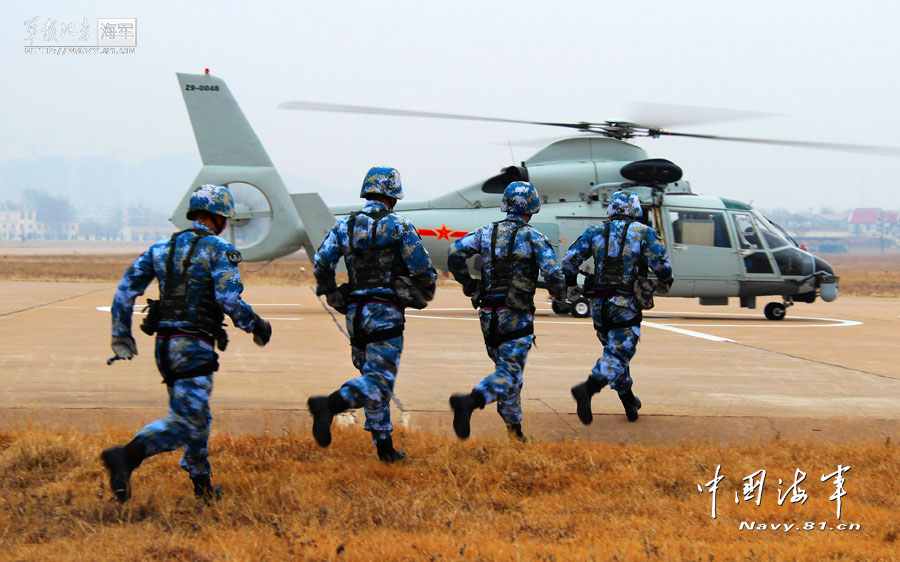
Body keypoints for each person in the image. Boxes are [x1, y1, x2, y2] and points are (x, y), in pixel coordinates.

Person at [101, 184, 272, 502]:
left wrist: (121, 335)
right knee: (188, 422)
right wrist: (256, 325)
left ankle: (202, 486)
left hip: (165, 346)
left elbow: (126, 289)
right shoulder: (218, 250)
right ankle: (126, 456)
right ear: (219, 218)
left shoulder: (160, 249)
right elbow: (228, 299)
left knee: (197, 415)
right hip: (193, 347)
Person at [309, 167, 437, 462]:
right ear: (393, 196)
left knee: (371, 377)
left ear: (368, 191)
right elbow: (422, 268)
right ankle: (329, 405)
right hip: (385, 312)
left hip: (355, 313)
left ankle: (385, 447)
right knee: (379, 380)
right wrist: (421, 292)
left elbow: (321, 260)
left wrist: (332, 293)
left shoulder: (346, 226)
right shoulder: (400, 227)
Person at [447, 181, 566, 440]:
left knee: (508, 374)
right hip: (515, 316)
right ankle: (470, 402)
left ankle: (515, 434)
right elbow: (553, 274)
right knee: (509, 375)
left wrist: (468, 283)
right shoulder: (534, 237)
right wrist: (559, 296)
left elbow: (454, 251)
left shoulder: (485, 233)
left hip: (488, 316)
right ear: (532, 207)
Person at [563, 190, 672, 423]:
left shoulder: (594, 232)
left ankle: (629, 402)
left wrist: (573, 285)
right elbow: (662, 264)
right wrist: (664, 281)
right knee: (619, 353)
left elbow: (568, 262)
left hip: (598, 306)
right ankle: (588, 388)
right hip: (624, 304)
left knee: (613, 354)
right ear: (634, 210)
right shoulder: (642, 232)